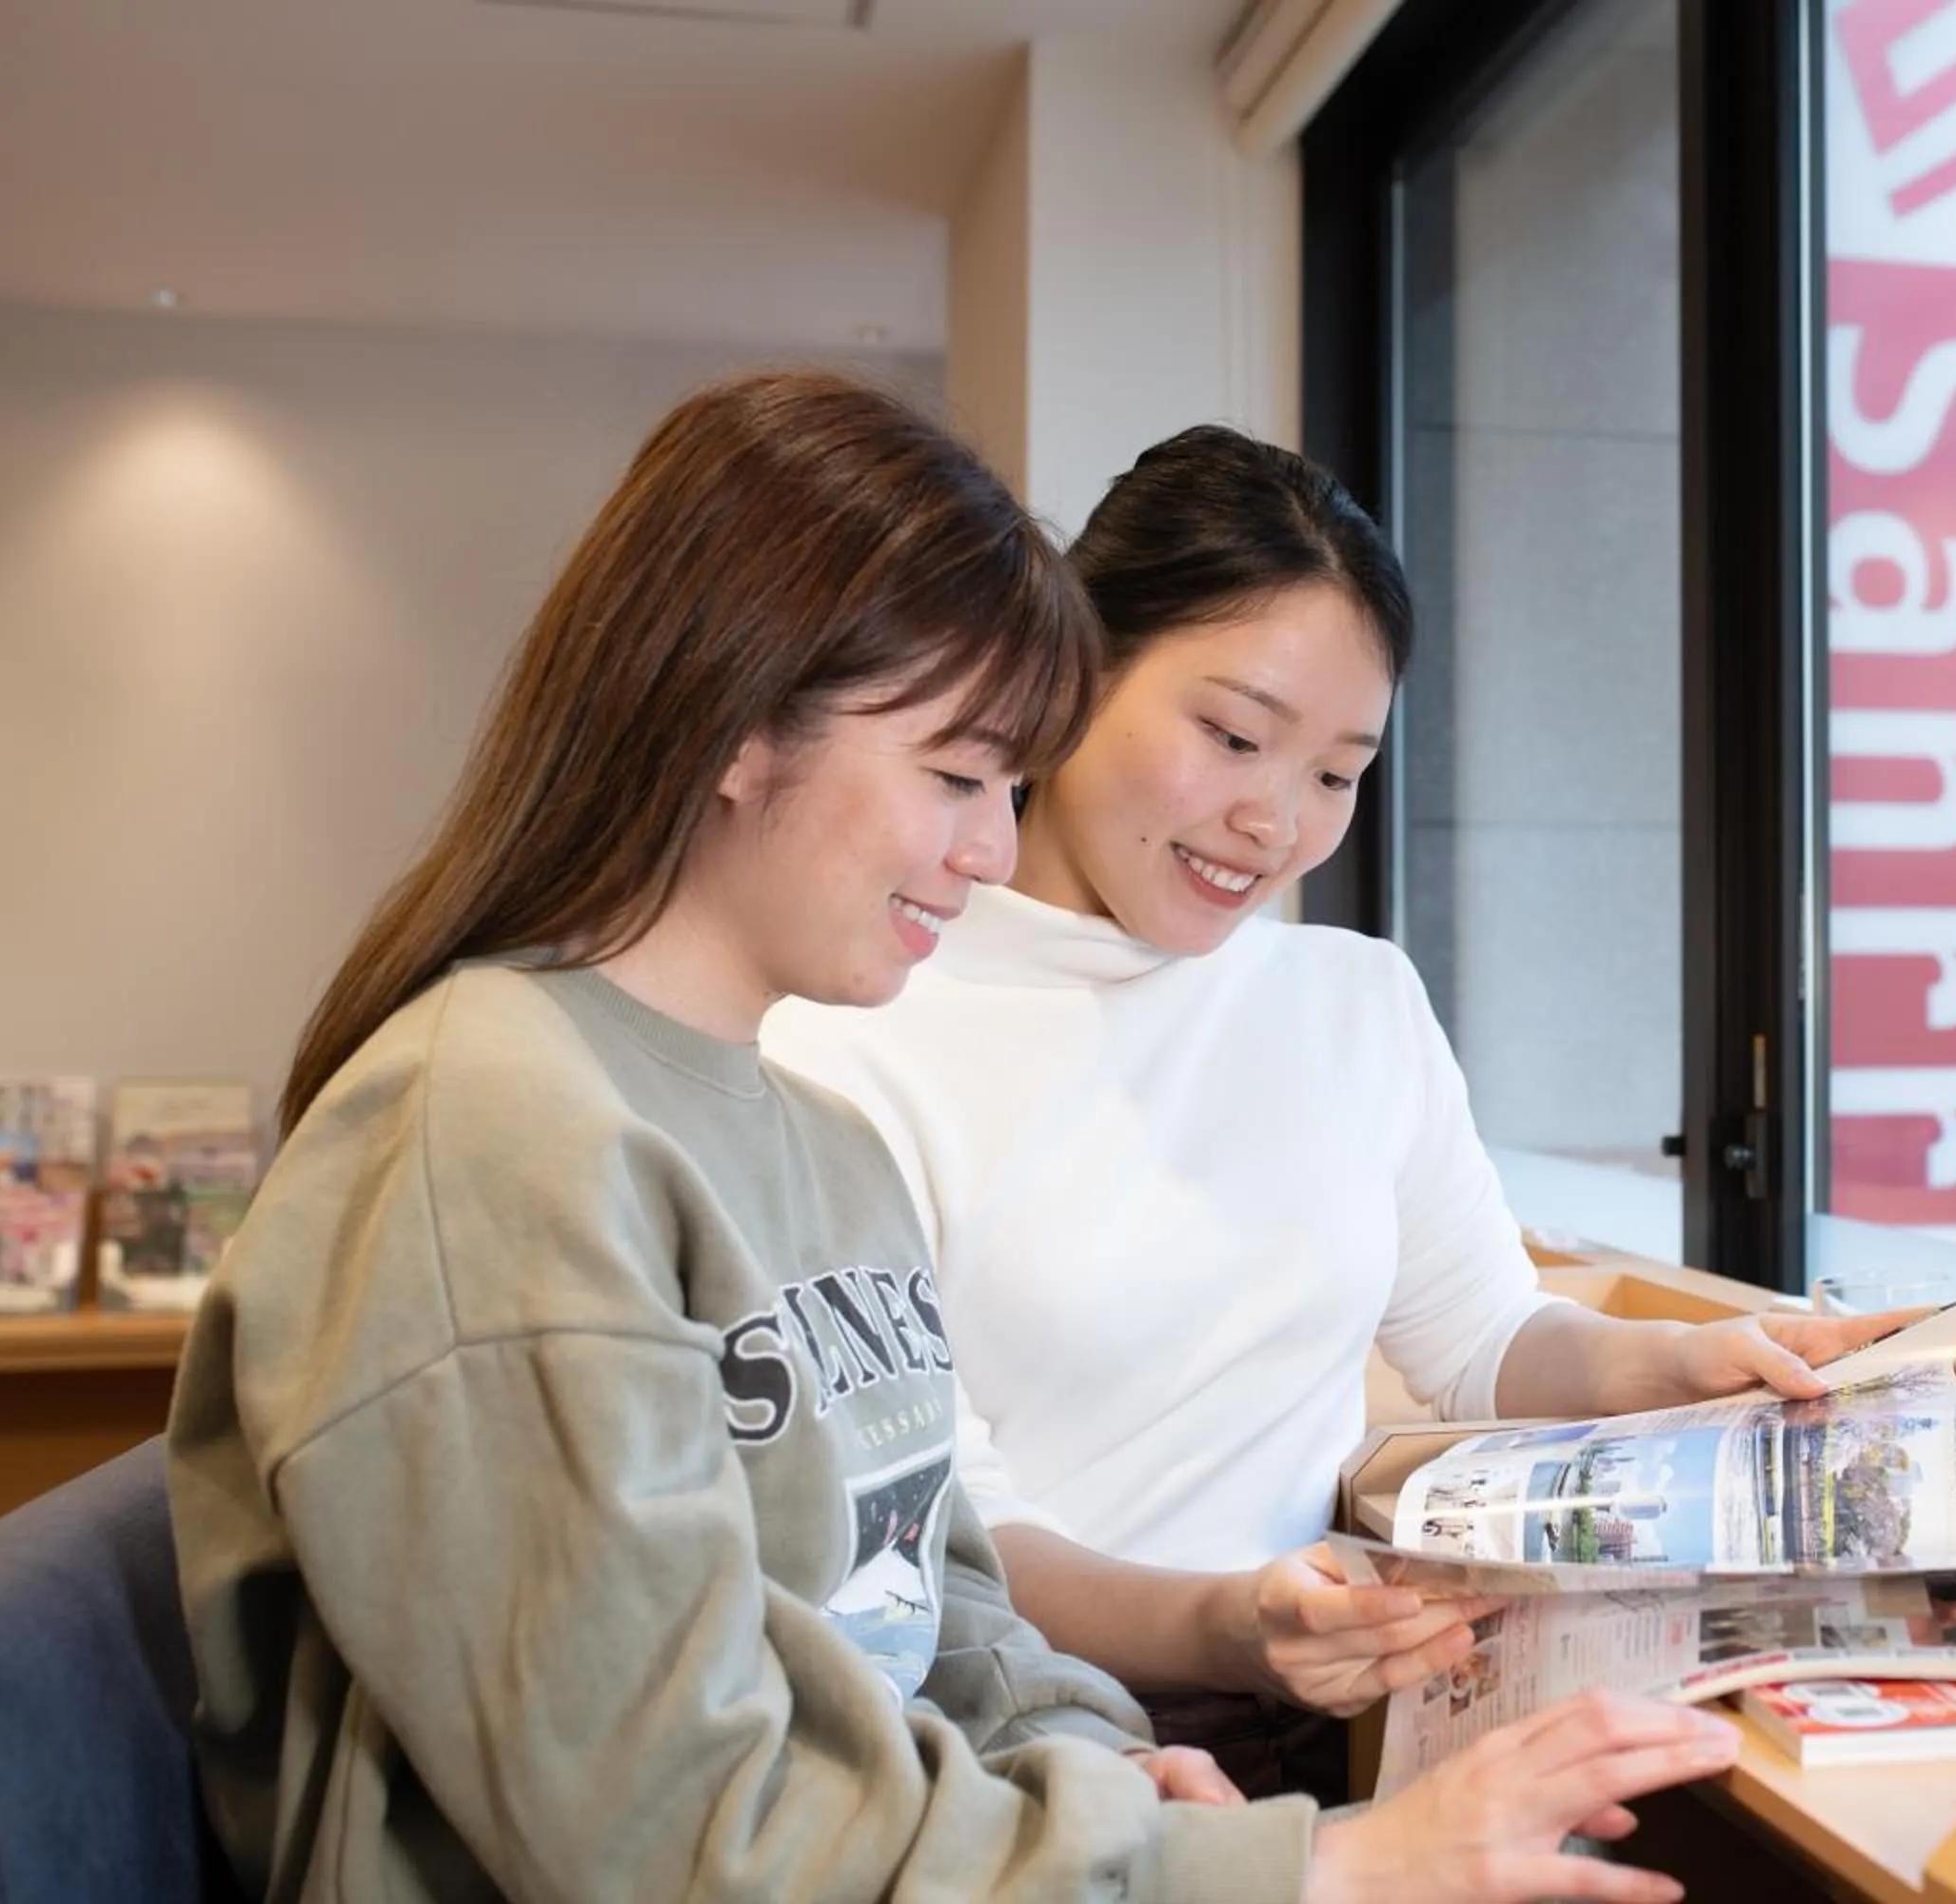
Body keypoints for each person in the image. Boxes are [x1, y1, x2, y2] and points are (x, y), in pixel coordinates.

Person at [167, 373, 1740, 1904]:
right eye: (955, 774)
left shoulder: (810, 1143)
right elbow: (668, 1831)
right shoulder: (484, 1131)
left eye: (1008, 777)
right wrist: (1295, 1868)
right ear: (735, 722)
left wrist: (1100, 1767)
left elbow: (939, 1598)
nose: (993, 843)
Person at [762, 425, 1907, 1796]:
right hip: (1008, 1743)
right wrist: (1232, 1625)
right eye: (1234, 737)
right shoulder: (857, 1022)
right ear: (1071, 676)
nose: (1277, 823)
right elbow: (934, 1524)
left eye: (1336, 773)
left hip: (1328, 1710)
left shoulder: (1355, 1002)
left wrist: (1694, 1364)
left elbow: (1483, 1339)